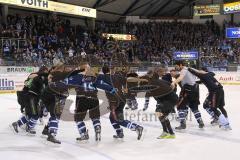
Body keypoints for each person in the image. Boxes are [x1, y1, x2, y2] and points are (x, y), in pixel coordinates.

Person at [64, 62, 117, 141]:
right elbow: (102, 84)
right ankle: (97, 128)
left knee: (78, 118)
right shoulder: (93, 78)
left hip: (82, 99)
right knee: (95, 117)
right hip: (94, 99)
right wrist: (111, 89)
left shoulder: (77, 77)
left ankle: (83, 134)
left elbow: (66, 83)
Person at [101, 65, 144, 140]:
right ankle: (119, 133)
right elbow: (127, 81)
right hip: (122, 99)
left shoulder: (103, 77)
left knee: (118, 119)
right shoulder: (118, 76)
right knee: (112, 118)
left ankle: (136, 127)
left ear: (103, 71)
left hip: (114, 101)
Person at [171, 61, 204, 130]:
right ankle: (200, 122)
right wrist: (209, 73)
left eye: (176, 66)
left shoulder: (184, 70)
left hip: (187, 90)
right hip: (195, 90)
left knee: (180, 106)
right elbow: (200, 72)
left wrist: (174, 82)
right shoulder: (190, 68)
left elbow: (180, 77)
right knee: (194, 107)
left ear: (180, 65)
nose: (175, 68)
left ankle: (182, 124)